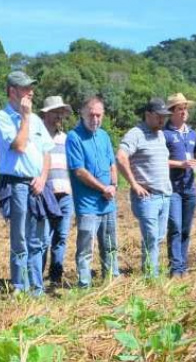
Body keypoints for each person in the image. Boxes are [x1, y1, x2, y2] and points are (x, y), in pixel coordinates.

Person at [0, 71, 57, 296]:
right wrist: (25, 118)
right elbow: (18, 146)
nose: (31, 92)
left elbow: (47, 152)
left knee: (38, 237)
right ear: (12, 91)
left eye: (31, 87)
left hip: (38, 184)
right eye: (26, 88)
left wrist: (43, 177)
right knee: (20, 237)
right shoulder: (2, 118)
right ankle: (20, 287)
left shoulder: (37, 120)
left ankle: (37, 288)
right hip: (16, 184)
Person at [65, 96, 119, 288]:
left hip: (108, 202)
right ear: (82, 113)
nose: (95, 119)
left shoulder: (104, 135)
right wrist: (103, 188)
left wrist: (113, 184)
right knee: (86, 248)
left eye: (99, 115)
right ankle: (84, 284)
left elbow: (113, 163)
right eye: (92, 115)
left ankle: (111, 281)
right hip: (87, 204)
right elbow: (79, 171)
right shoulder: (74, 137)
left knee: (111, 246)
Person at [117, 98, 172, 277]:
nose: (162, 120)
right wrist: (134, 184)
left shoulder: (160, 135)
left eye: (164, 117)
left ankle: (150, 270)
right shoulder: (136, 134)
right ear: (148, 115)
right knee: (151, 237)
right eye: (159, 117)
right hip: (147, 197)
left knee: (159, 236)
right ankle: (151, 276)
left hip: (164, 195)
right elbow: (121, 157)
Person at [163, 93, 196, 277]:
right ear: (171, 112)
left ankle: (183, 265)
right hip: (173, 188)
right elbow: (160, 160)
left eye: (185, 108)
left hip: (190, 187)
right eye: (180, 109)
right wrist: (180, 164)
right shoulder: (164, 134)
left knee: (186, 229)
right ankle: (175, 267)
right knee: (175, 227)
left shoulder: (192, 134)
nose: (184, 112)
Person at [39, 96, 74, 285]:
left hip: (65, 194)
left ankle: (56, 277)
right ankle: (37, 278)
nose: (58, 116)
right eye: (54, 112)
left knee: (61, 237)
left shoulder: (66, 139)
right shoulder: (37, 138)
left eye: (60, 113)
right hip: (45, 194)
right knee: (44, 239)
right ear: (46, 114)